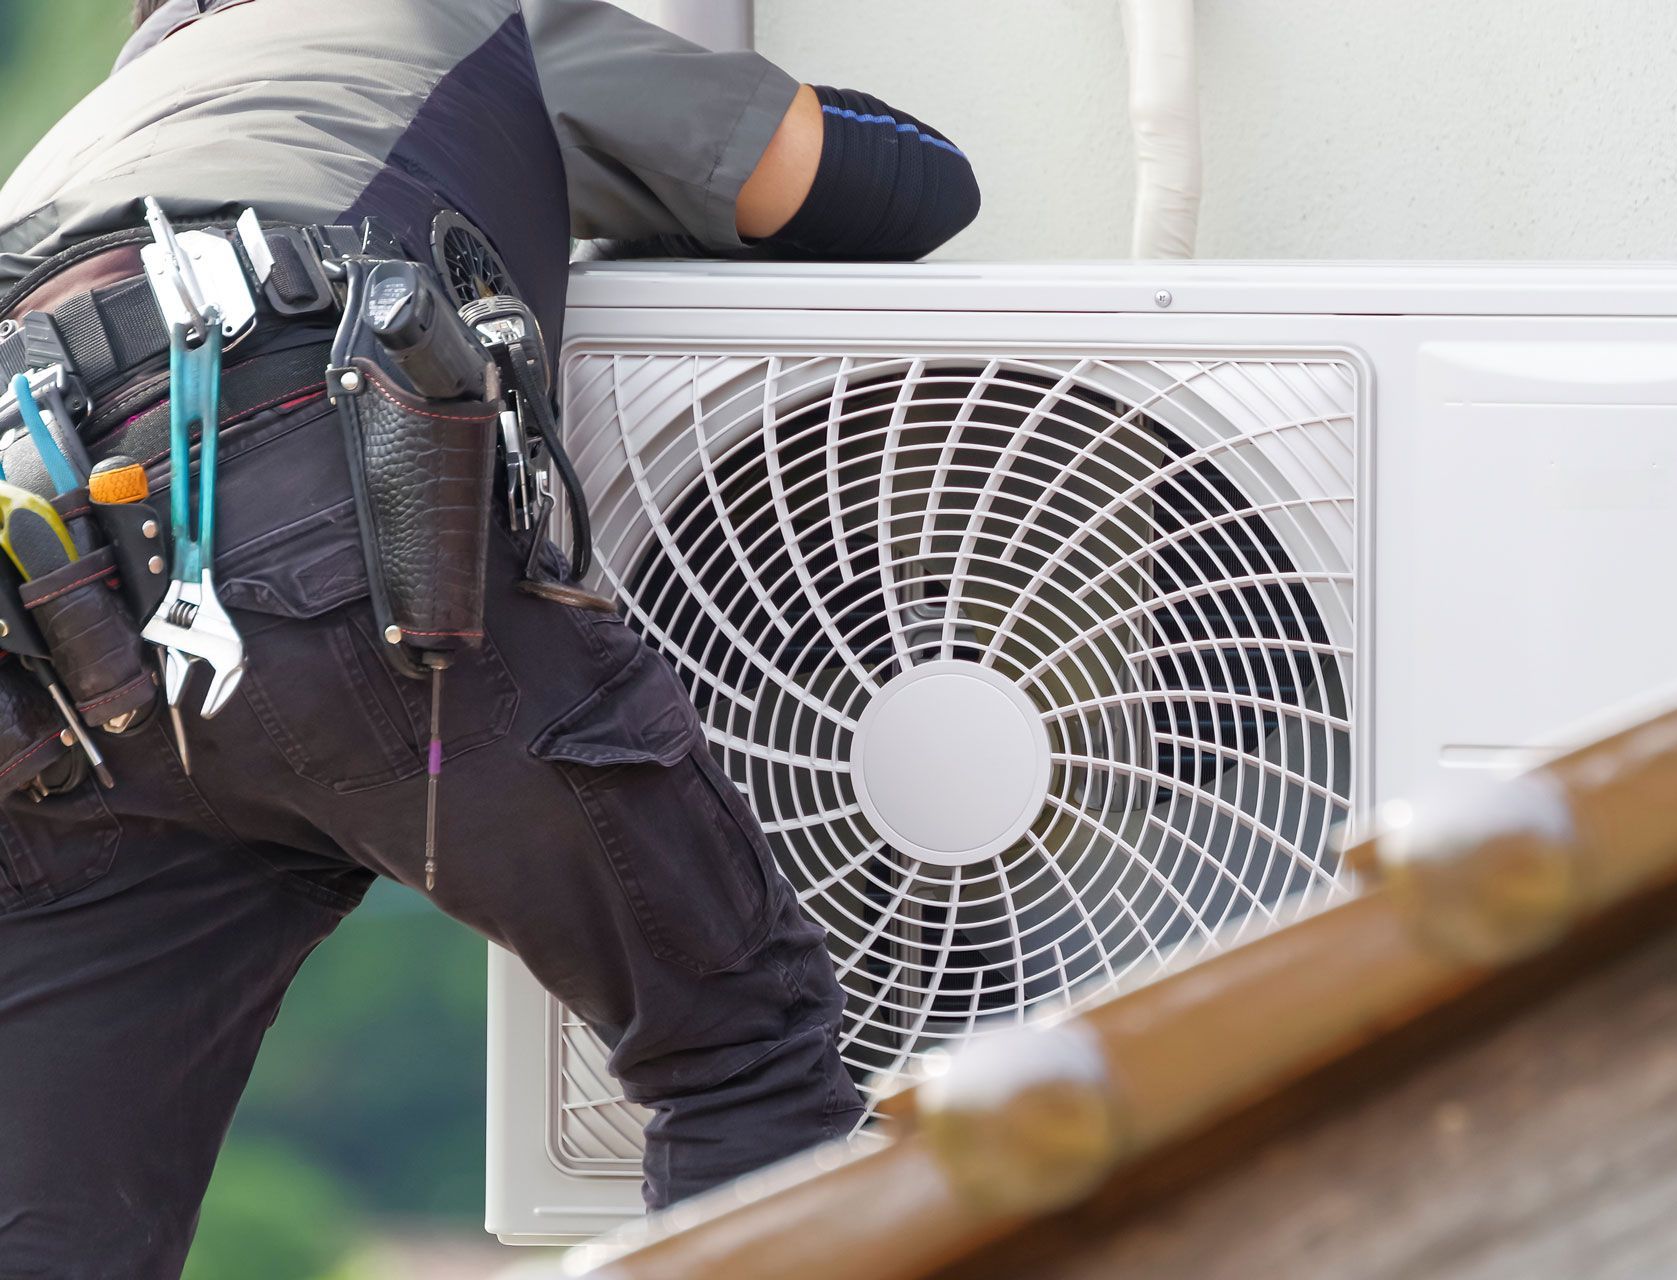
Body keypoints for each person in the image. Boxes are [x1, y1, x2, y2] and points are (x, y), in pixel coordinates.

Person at [0, 1, 979, 1274]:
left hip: (45, 607)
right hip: (301, 490)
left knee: (46, 1219)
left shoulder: (93, 131)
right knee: (740, 1054)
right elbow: (885, 185)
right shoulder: (443, 16)